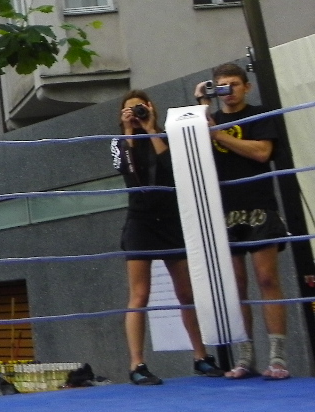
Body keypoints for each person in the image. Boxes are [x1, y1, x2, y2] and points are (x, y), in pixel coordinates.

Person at [112, 90, 223, 385]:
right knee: (139, 295)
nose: (135, 114)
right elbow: (127, 170)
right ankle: (137, 364)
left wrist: (151, 129)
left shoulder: (166, 134)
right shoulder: (119, 142)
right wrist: (129, 131)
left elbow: (173, 169)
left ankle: (200, 356)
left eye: (139, 108)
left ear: (151, 108)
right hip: (140, 221)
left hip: (170, 220)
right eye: (129, 110)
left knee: (186, 293)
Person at [198, 64, 291, 380]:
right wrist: (202, 105)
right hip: (224, 208)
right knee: (236, 285)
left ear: (246, 86)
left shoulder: (259, 114)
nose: (228, 91)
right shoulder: (208, 119)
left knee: (267, 279)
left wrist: (219, 135)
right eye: (221, 86)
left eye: (234, 84)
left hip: (258, 204)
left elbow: (262, 152)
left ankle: (277, 358)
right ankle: (245, 357)